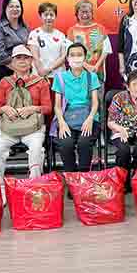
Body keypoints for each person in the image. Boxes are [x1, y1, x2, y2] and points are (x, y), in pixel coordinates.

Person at [0, 45, 52, 204]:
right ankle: (0, 189)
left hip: (33, 129)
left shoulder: (41, 82)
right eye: (18, 58)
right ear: (12, 62)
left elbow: (47, 108)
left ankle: (34, 187)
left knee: (37, 149)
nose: (22, 61)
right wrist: (4, 109)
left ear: (31, 61)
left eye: (26, 58)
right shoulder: (5, 82)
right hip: (8, 129)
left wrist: (33, 108)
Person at [53, 43, 102, 175]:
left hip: (89, 116)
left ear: (85, 57)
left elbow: (95, 103)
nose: (76, 58)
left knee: (84, 143)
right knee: (66, 144)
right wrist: (61, 123)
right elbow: (57, 106)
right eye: (72, 55)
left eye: (79, 55)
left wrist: (90, 119)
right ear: (67, 58)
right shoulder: (60, 78)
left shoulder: (91, 77)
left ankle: (83, 176)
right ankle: (71, 176)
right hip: (67, 118)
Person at [0, 0, 30, 105]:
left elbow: (29, 47)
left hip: (22, 69)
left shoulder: (25, 27)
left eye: (17, 6)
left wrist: (24, 67)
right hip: (4, 68)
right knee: (1, 100)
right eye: (11, 6)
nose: (15, 9)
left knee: (20, 100)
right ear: (5, 8)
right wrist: (16, 67)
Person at [67, 0, 113, 84]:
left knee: (98, 92)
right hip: (78, 73)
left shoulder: (100, 28)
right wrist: (87, 66)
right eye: (82, 12)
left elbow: (106, 50)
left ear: (92, 13)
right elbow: (70, 54)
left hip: (98, 72)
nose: (85, 15)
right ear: (77, 14)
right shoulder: (72, 31)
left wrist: (96, 66)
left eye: (87, 12)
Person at [27, 2, 68, 80]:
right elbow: (35, 56)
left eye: (51, 15)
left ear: (55, 16)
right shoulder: (34, 34)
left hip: (58, 76)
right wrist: (41, 71)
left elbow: (63, 57)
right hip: (39, 75)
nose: (49, 17)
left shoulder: (61, 35)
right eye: (45, 15)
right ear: (40, 16)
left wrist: (49, 69)